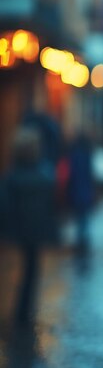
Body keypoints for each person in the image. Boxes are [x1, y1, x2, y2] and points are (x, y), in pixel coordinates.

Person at [0, 126, 59, 325]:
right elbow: (52, 206)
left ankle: (22, 311)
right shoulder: (44, 174)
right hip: (36, 230)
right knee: (32, 271)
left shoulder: (13, 176)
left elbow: (6, 205)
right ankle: (24, 311)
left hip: (20, 230)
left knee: (24, 270)